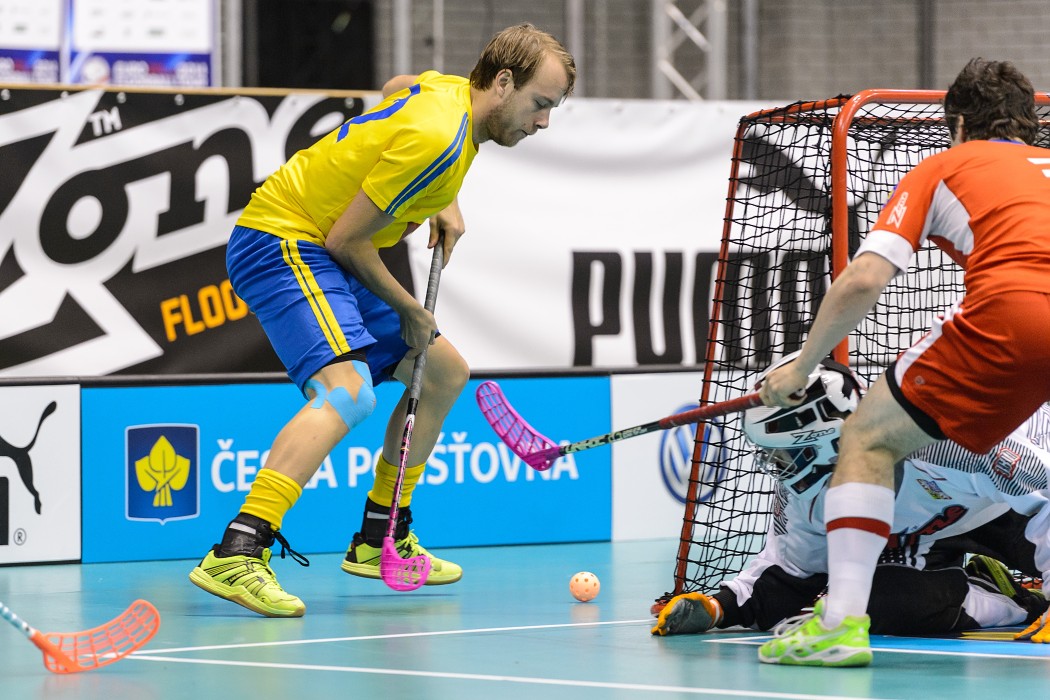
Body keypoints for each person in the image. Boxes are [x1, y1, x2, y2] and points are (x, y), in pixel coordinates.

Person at [188, 24, 576, 617]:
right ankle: (239, 549)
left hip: (323, 248)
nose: (543, 122)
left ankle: (381, 534)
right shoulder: (439, 141)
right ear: (502, 82)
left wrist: (443, 200)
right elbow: (347, 241)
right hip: (284, 240)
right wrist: (410, 311)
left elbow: (398, 86)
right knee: (348, 393)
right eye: (539, 103)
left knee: (444, 372)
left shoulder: (450, 94)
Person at [755, 58, 1050, 665]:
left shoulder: (944, 167)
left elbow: (865, 278)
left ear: (959, 124)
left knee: (867, 438)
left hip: (1016, 312)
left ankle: (839, 624)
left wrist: (803, 367)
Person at [651, 356, 1049, 640]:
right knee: (880, 606)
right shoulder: (804, 492)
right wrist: (719, 609)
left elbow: (1045, 493)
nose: (776, 466)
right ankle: (1010, 599)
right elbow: (790, 570)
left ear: (825, 441)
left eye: (783, 455)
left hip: (1014, 507)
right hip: (927, 534)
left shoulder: (946, 438)